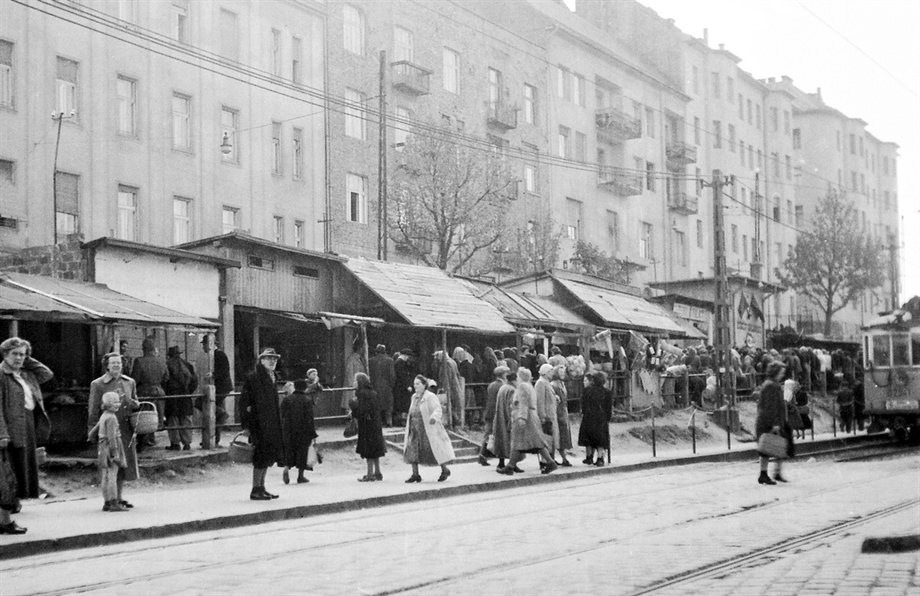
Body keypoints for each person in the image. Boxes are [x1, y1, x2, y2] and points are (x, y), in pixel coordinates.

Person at [0, 337, 53, 535]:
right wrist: (2, 434)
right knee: (8, 475)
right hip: (10, 430)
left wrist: (26, 358)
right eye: (14, 354)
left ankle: (9, 513)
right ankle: (4, 521)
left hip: (26, 427)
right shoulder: (1, 375)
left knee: (20, 472)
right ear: (5, 354)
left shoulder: (26, 374)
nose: (19, 358)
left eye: (22, 354)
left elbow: (46, 374)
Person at [88, 351, 140, 511]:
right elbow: (93, 409)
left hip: (125, 428)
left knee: (123, 464)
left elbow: (136, 402)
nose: (117, 365)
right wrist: (92, 430)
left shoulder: (129, 382)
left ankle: (119, 497)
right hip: (108, 428)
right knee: (111, 465)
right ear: (107, 366)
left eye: (119, 362)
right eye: (113, 363)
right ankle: (110, 500)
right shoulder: (98, 384)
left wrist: (133, 403)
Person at [239, 348, 286, 501]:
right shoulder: (254, 378)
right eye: (269, 358)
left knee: (267, 456)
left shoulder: (272, 377)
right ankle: (255, 489)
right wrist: (246, 426)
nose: (273, 361)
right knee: (260, 456)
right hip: (258, 424)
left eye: (275, 359)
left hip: (271, 423)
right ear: (262, 360)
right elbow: (244, 403)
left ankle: (262, 487)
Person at [498, 368, 556, 476]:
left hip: (526, 418)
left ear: (520, 376)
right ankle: (510, 466)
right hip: (531, 416)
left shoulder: (522, 386)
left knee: (522, 442)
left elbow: (523, 403)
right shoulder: (529, 386)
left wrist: (522, 418)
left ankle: (511, 466)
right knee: (533, 442)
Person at [403, 375, 454, 483]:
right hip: (414, 427)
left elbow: (437, 409)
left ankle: (444, 469)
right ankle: (415, 474)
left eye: (418, 384)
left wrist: (434, 418)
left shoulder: (430, 396)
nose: (415, 386)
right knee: (412, 449)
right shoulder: (414, 397)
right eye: (414, 384)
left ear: (424, 385)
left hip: (427, 428)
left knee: (432, 449)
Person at [88, 392, 128, 512]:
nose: (118, 404)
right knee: (112, 475)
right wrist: (115, 453)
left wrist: (91, 435)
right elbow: (112, 437)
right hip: (111, 447)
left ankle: (106, 503)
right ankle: (114, 503)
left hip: (102, 447)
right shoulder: (112, 418)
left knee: (105, 475)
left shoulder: (104, 415)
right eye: (114, 402)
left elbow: (96, 428)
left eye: (118, 402)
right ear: (108, 404)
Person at [130, 337, 169, 450]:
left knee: (143, 416)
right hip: (159, 391)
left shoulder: (139, 361)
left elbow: (135, 379)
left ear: (144, 349)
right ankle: (151, 439)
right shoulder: (161, 361)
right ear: (153, 349)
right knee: (156, 416)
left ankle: (143, 441)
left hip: (144, 391)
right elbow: (166, 378)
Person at [196, 334, 234, 447]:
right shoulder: (212, 356)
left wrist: (213, 374)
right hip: (217, 387)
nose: (203, 347)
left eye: (204, 344)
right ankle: (214, 438)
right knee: (213, 413)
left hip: (221, 387)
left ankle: (222, 414)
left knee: (203, 403)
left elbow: (224, 370)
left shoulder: (219, 355)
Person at [755, 361, 789, 485]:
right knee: (768, 447)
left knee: (774, 446)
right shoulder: (771, 385)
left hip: (771, 420)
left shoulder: (772, 384)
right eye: (781, 372)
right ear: (775, 372)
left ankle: (774, 472)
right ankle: (764, 474)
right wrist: (775, 424)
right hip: (769, 422)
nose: (782, 375)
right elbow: (771, 406)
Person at [281, 378, 318, 485]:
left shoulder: (287, 399)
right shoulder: (307, 400)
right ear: (305, 388)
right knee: (302, 452)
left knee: (290, 449)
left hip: (289, 429)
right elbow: (309, 418)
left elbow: (282, 414)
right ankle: (300, 476)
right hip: (303, 430)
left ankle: (286, 467)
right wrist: (313, 433)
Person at [351, 372, 386, 482]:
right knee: (375, 448)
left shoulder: (361, 394)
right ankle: (377, 472)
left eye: (355, 380)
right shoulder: (373, 392)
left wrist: (353, 410)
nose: (353, 382)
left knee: (368, 449)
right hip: (375, 423)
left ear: (359, 382)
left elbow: (362, 410)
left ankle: (370, 474)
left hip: (367, 425)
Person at [164, 346, 197, 451]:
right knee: (186, 419)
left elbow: (164, 381)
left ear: (169, 355)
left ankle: (175, 443)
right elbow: (194, 381)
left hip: (172, 396)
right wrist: (188, 391)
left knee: (172, 419)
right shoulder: (188, 365)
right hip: (185, 396)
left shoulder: (167, 365)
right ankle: (187, 443)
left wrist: (167, 392)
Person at [578, 370, 612, 466]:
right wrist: (608, 418)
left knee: (588, 437)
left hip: (588, 417)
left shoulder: (587, 390)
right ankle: (600, 458)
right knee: (601, 439)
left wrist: (584, 413)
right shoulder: (607, 392)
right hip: (601, 418)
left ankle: (589, 457)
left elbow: (583, 405)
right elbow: (608, 407)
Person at [478, 365, 509, 466]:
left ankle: (482, 455)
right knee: (496, 434)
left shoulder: (492, 385)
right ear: (503, 374)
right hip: (496, 412)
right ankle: (485, 455)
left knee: (488, 434)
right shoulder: (502, 386)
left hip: (489, 411)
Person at [535, 363, 560, 469]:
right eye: (550, 371)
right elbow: (539, 401)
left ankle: (549, 460)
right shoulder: (541, 383)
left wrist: (555, 398)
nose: (552, 373)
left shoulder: (546, 383)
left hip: (551, 415)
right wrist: (542, 416)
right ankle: (545, 462)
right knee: (547, 439)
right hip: (546, 417)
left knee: (551, 439)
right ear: (545, 372)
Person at [492, 369, 516, 472]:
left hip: (500, 418)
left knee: (501, 441)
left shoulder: (503, 387)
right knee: (511, 442)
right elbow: (511, 406)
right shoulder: (512, 390)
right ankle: (512, 463)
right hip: (507, 419)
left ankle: (501, 462)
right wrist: (511, 419)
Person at [550, 360, 573, 467]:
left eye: (563, 372)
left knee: (562, 436)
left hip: (563, 412)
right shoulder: (553, 385)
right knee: (558, 436)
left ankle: (563, 458)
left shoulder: (562, 384)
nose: (563, 374)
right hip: (558, 413)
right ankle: (556, 458)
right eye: (560, 372)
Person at [368, 344, 396, 427]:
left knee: (376, 405)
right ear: (385, 351)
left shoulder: (371, 361)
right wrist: (391, 385)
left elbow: (370, 374)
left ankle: (377, 422)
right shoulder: (389, 361)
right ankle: (389, 421)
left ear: (376, 351)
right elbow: (392, 375)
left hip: (375, 386)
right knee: (388, 405)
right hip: (386, 386)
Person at [433, 350, 463, 428]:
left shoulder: (446, 364)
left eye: (438, 357)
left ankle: (455, 422)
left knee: (449, 405)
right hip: (454, 385)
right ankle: (455, 422)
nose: (437, 359)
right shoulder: (452, 362)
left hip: (450, 387)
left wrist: (444, 388)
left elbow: (447, 377)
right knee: (452, 405)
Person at [393, 349, 417, 426]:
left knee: (402, 404)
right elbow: (402, 375)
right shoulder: (400, 363)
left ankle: (402, 420)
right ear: (405, 356)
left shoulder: (399, 362)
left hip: (400, 387)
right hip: (402, 387)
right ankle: (403, 421)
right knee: (403, 404)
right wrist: (408, 385)